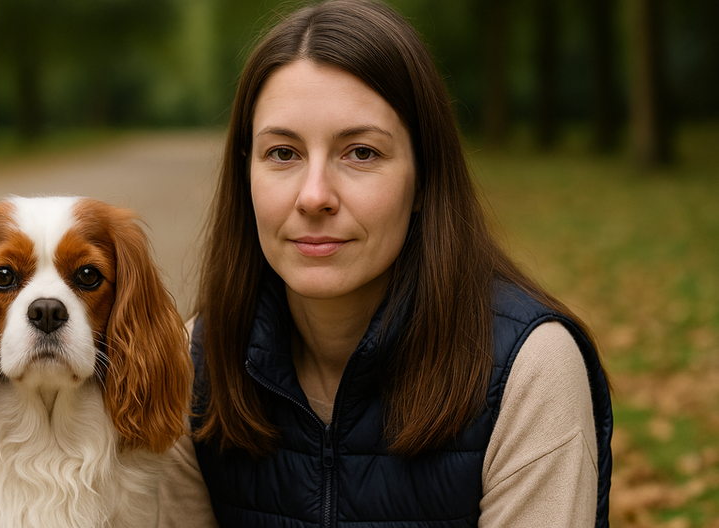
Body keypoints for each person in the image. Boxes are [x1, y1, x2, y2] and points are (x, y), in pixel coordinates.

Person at [159, 0, 613, 526]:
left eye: (362, 153)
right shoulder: (190, 365)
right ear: (246, 175)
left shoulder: (531, 370)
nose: (314, 196)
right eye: (283, 153)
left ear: (424, 178)